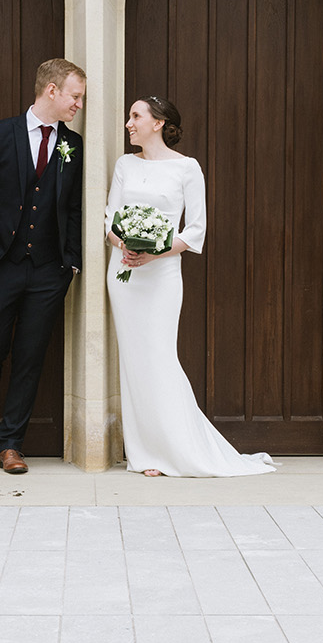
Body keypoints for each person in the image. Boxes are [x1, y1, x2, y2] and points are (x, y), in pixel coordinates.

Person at [105, 94, 277, 478]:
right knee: (133, 363)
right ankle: (144, 453)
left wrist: (154, 252)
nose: (129, 123)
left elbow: (195, 230)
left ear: (158, 123)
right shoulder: (125, 164)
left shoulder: (187, 168)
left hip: (161, 276)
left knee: (160, 357)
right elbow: (110, 218)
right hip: (124, 274)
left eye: (136, 116)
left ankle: (175, 449)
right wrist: (125, 245)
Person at [0, 58, 85, 474]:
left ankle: (11, 444)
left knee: (30, 356)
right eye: (75, 96)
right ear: (52, 90)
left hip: (49, 270)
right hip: (1, 264)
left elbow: (74, 207)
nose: (79, 105)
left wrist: (71, 262)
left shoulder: (74, 144)